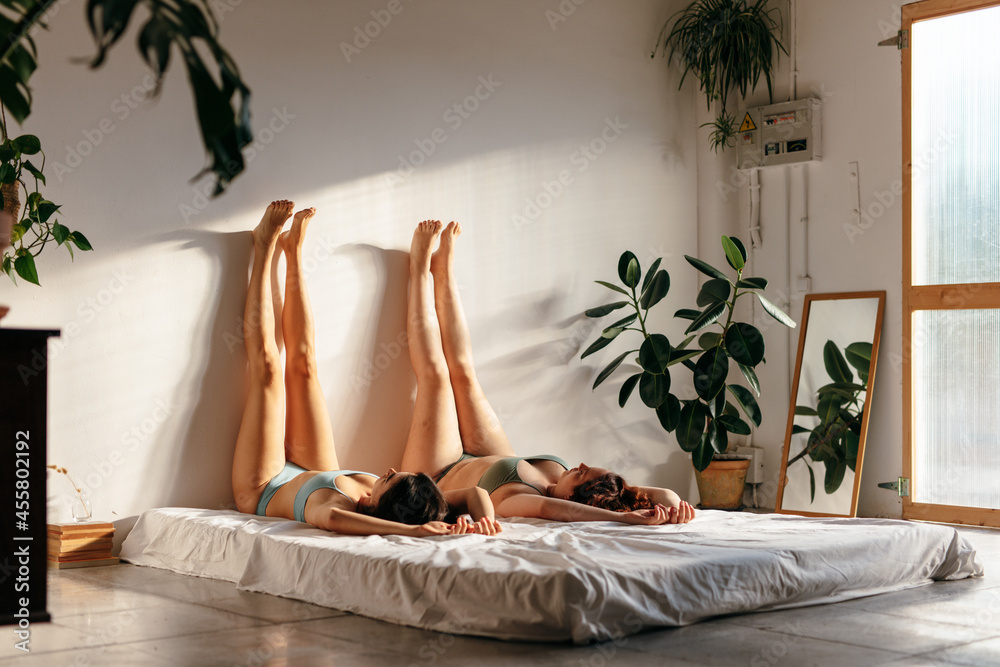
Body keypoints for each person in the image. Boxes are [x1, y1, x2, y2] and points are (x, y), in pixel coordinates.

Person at [398, 220, 695, 525]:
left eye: (580, 474)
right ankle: (444, 272)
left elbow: (555, 512)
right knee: (464, 373)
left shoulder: (524, 500)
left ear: (572, 498)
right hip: (487, 457)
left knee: (436, 377)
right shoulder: (562, 480)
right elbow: (665, 496)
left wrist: (624, 520)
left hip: (439, 472)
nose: (579, 465)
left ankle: (419, 270)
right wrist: (668, 508)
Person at [231, 201, 501, 537]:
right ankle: (293, 252)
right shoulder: (399, 497)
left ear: (378, 507)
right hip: (316, 468)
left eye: (389, 480)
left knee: (269, 371)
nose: (389, 470)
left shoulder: (334, 507)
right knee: (304, 366)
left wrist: (413, 533)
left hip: (264, 485)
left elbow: (333, 520)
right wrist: (483, 522)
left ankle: (264, 246)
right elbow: (474, 494)